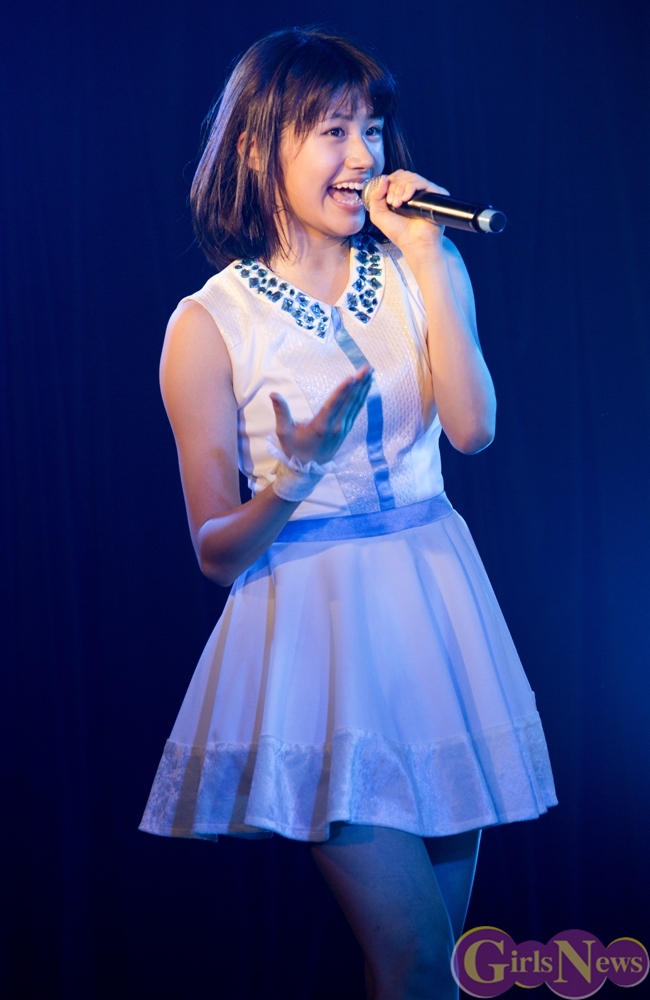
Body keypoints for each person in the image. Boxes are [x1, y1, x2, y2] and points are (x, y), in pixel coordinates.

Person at [140, 28, 557, 1000]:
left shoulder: (418, 269)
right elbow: (213, 551)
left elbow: (473, 429)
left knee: (430, 966)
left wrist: (430, 257)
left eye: (369, 128)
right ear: (259, 146)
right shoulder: (209, 324)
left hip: (435, 614)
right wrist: (293, 473)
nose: (363, 155)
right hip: (318, 641)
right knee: (415, 960)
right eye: (332, 130)